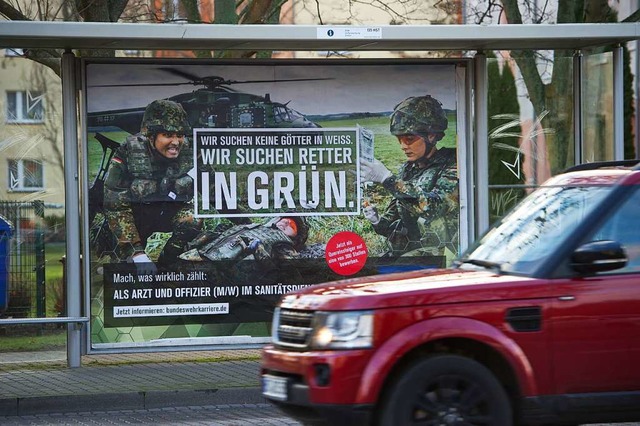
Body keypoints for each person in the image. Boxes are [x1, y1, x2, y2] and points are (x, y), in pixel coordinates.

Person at [103, 99, 201, 272]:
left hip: (169, 210)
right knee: (122, 270)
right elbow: (115, 205)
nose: (176, 142)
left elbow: (218, 190)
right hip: (136, 215)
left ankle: (167, 261)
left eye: (179, 135)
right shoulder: (128, 152)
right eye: (168, 135)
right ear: (151, 135)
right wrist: (136, 253)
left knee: (193, 219)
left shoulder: (191, 151)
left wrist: (244, 222)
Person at [360, 95, 459, 260]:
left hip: (444, 254)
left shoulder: (453, 164)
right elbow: (392, 224)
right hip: (414, 253)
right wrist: (377, 220)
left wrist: (387, 179)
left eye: (409, 139)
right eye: (399, 139)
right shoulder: (407, 170)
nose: (403, 146)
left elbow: (434, 207)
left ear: (431, 136)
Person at [178, 216, 308, 265]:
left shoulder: (283, 244)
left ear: (296, 237)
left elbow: (291, 268)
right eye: (285, 220)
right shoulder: (253, 226)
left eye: (292, 225)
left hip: (219, 272)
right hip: (198, 255)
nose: (286, 223)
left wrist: (259, 251)